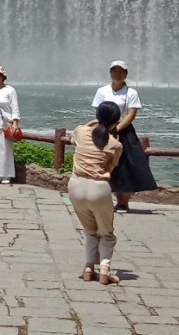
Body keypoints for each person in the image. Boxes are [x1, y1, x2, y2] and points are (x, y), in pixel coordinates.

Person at [69, 101, 125, 284]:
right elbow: (112, 167)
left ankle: (88, 268)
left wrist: (93, 123)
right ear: (116, 122)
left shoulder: (80, 131)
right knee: (106, 233)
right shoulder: (115, 144)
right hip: (99, 188)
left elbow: (73, 139)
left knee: (90, 231)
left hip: (75, 186)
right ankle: (105, 270)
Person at [92, 60, 157, 211]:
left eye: (121, 71)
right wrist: (106, 130)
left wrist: (117, 129)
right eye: (114, 71)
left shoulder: (131, 93)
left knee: (129, 165)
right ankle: (115, 199)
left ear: (126, 74)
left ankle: (124, 202)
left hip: (125, 131)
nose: (118, 74)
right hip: (105, 129)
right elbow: (98, 113)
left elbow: (131, 115)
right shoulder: (102, 91)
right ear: (110, 73)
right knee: (110, 165)